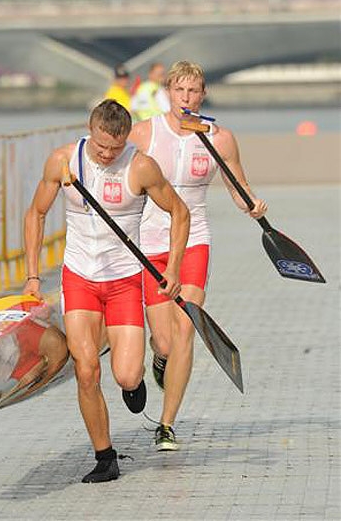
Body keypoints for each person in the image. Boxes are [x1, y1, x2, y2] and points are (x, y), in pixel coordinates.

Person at [23, 99, 189, 483]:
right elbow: (36, 214)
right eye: (101, 147)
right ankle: (105, 456)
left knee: (127, 377)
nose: (108, 154)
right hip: (79, 277)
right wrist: (33, 276)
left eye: (115, 148)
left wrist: (174, 268)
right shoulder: (63, 161)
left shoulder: (141, 166)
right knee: (86, 370)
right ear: (91, 130)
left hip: (124, 282)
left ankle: (133, 371)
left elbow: (180, 213)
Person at [129, 60, 268, 452]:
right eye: (179, 91)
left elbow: (237, 184)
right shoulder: (144, 133)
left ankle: (167, 424)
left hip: (193, 241)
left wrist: (252, 204)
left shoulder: (219, 137)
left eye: (194, 92)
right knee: (166, 342)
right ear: (168, 92)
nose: (186, 99)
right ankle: (160, 360)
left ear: (203, 94)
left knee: (187, 327)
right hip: (149, 245)